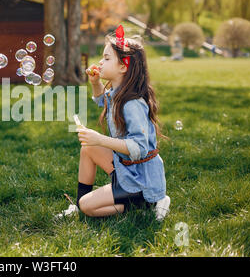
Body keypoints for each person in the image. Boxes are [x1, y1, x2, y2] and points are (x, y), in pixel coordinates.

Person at [63, 25, 170, 220]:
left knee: (88, 206)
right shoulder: (119, 94)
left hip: (140, 179)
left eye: (106, 58)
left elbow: (139, 148)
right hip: (127, 166)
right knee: (88, 147)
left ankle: (145, 202)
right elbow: (102, 100)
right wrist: (95, 83)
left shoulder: (132, 104)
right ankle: (79, 206)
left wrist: (100, 139)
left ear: (123, 66)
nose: (100, 63)